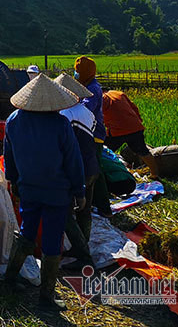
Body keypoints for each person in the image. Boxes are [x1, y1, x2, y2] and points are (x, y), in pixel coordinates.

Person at [3, 74, 85, 311]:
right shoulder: (60, 124)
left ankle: (10, 278)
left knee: (27, 234)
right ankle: (46, 296)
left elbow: (9, 156)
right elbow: (73, 161)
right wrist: (79, 190)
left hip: (28, 188)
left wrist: (13, 181)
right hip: (57, 192)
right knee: (52, 240)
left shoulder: (13, 120)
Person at [54, 73, 99, 270]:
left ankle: (83, 254)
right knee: (84, 210)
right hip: (92, 166)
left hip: (77, 169)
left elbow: (65, 148)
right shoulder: (86, 111)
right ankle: (82, 246)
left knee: (64, 212)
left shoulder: (65, 115)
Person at [74, 56, 112, 217]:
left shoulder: (93, 89)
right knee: (93, 170)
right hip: (89, 133)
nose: (76, 74)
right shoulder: (87, 85)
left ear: (84, 73)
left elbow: (86, 109)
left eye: (77, 72)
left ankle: (104, 207)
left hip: (94, 134)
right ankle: (98, 204)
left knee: (95, 171)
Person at [102, 90, 159, 177]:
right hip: (135, 127)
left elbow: (98, 117)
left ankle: (105, 174)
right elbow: (134, 108)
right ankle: (155, 174)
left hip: (117, 131)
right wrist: (138, 122)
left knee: (104, 152)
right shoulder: (119, 93)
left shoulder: (101, 99)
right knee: (143, 151)